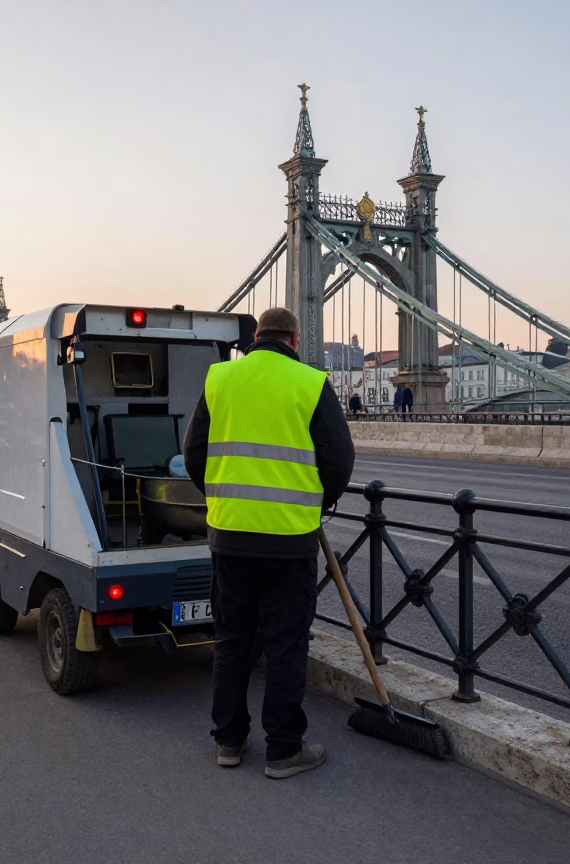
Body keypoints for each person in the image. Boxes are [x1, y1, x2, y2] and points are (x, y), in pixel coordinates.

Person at [183, 307, 354, 779]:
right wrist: (315, 506)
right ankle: (282, 750)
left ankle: (229, 743)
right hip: (289, 540)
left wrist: (222, 497)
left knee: (232, 641)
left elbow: (194, 454)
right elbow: (339, 461)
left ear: (255, 338)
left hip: (230, 536)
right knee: (284, 644)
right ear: (295, 341)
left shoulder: (220, 378)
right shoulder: (310, 382)